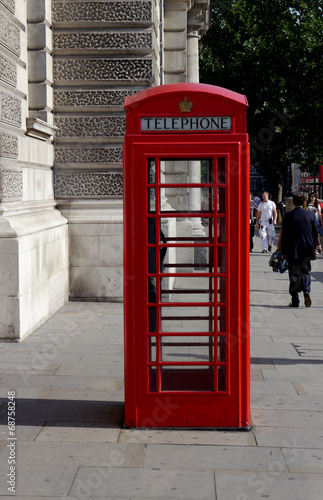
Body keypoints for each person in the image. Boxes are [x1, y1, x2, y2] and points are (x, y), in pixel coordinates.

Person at [278, 193, 318, 308]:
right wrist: (314, 246)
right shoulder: (309, 216)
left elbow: (285, 235)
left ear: (293, 203)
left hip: (293, 249)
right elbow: (315, 234)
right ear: (304, 203)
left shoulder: (288, 216)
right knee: (305, 271)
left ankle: (295, 299)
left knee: (294, 273)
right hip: (306, 249)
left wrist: (283, 251)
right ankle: (306, 291)